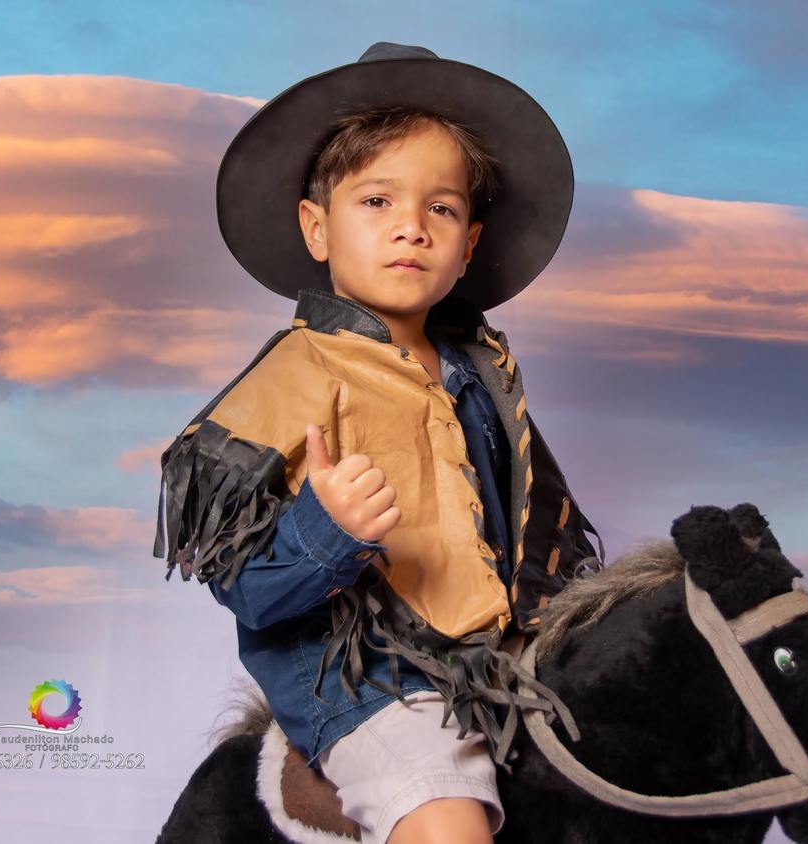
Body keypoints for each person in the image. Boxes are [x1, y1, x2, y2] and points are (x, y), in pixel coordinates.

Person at [153, 42, 606, 843]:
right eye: (376, 202)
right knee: (445, 815)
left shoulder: (484, 374)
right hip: (370, 676)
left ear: (468, 244)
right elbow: (243, 588)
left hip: (493, 663)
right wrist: (324, 530)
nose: (412, 227)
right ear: (316, 228)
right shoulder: (292, 378)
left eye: (441, 208)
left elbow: (547, 532)